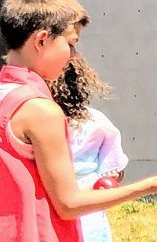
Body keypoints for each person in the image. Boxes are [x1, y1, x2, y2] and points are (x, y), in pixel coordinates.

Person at [0, 0, 157, 242]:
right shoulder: (40, 110)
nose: (73, 55)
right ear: (42, 40)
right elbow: (69, 204)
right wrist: (154, 184)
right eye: (71, 44)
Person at [49, 57, 127, 242]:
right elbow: (115, 172)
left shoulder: (35, 118)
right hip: (89, 216)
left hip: (47, 215)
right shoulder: (96, 120)